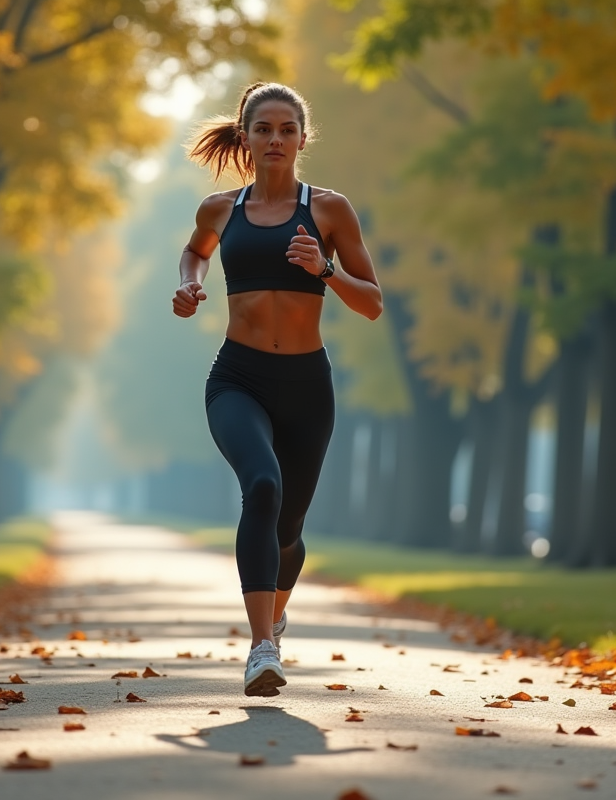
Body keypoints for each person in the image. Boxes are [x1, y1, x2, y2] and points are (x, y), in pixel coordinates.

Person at [173, 82, 383, 697]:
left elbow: (372, 303)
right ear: (246, 137)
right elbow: (194, 253)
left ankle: (273, 614)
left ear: (301, 139)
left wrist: (324, 269)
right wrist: (189, 285)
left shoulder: (329, 211)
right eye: (262, 129)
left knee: (288, 529)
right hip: (237, 377)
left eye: (286, 129)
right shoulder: (220, 209)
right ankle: (262, 648)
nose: (274, 139)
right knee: (261, 488)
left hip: (305, 385)